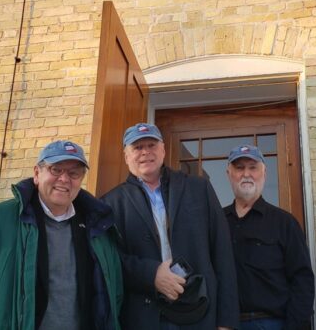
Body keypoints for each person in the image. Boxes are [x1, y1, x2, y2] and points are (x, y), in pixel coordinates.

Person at [0, 140, 123, 330]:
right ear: (37, 174)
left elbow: (113, 299)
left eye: (74, 173)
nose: (64, 179)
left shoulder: (99, 230)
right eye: (56, 169)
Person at [102, 123, 239, 330]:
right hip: (143, 317)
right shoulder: (109, 204)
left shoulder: (199, 188)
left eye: (151, 145)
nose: (145, 152)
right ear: (126, 156)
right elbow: (110, 261)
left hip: (199, 313)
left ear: (163, 150)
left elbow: (222, 254)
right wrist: (151, 274)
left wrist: (227, 322)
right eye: (137, 147)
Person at [224, 144, 314, 330]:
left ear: (264, 173)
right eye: (239, 168)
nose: (246, 174)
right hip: (226, 323)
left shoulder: (285, 223)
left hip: (272, 323)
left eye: (253, 167)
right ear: (229, 174)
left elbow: (302, 281)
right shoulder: (216, 222)